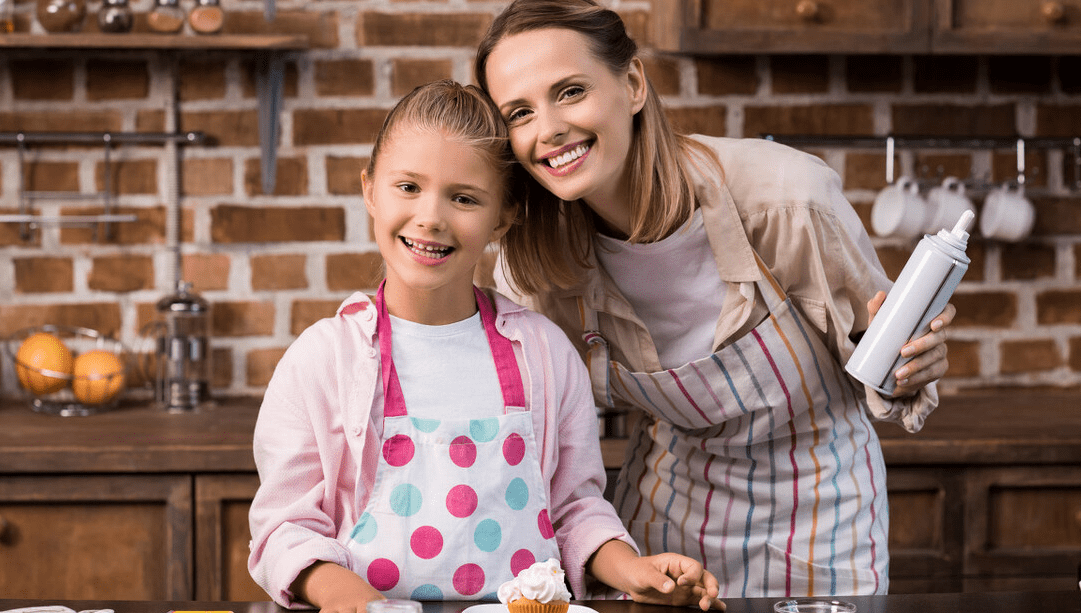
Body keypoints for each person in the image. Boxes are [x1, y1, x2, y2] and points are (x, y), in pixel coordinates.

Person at [473, 0, 957, 598]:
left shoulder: (788, 198)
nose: (549, 129)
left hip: (823, 518)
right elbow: (552, 443)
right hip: (664, 524)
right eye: (519, 113)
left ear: (634, 84)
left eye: (570, 91)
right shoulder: (538, 271)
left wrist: (909, 366)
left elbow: (883, 360)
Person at [247, 79, 724, 613]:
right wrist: (352, 601)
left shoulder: (543, 353)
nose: (431, 216)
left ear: (503, 217)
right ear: (369, 191)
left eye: (464, 198)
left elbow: (573, 509)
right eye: (408, 187)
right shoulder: (322, 360)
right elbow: (285, 529)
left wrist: (633, 571)